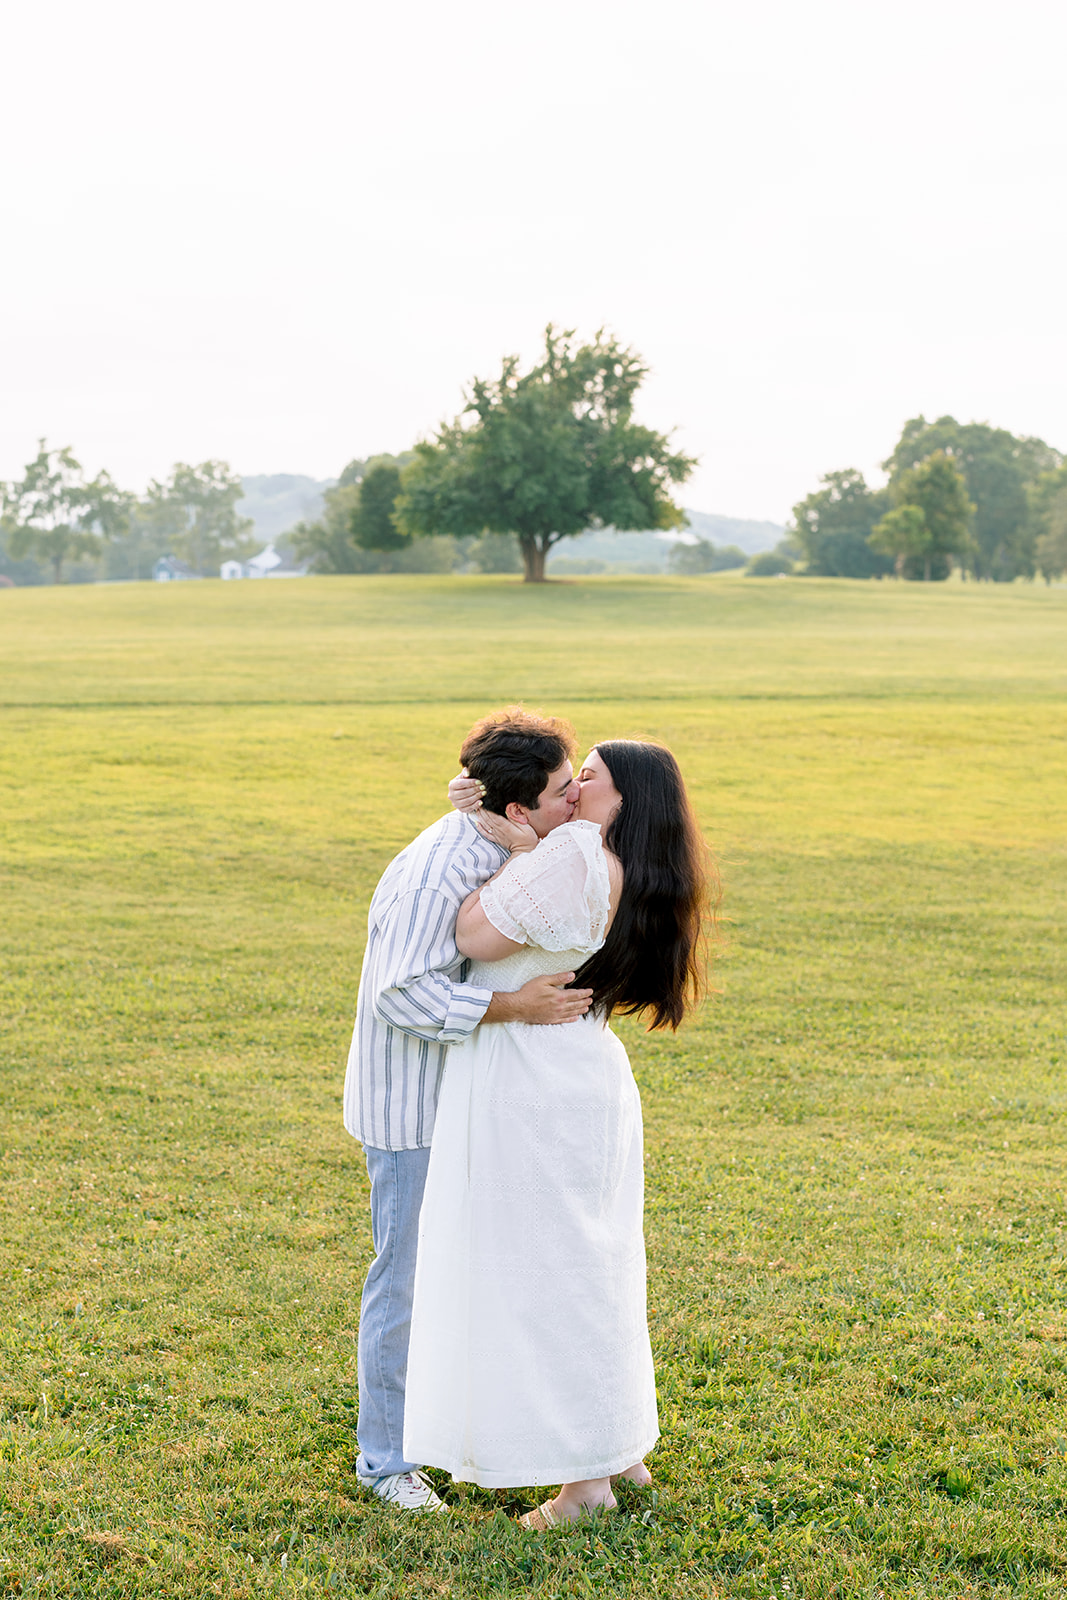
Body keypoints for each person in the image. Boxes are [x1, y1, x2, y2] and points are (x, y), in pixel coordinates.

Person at [402, 740, 707, 1527]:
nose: (571, 790)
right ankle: (619, 1453)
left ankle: (584, 1488)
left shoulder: (573, 850)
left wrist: (512, 852)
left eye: (587, 778)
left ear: (620, 798)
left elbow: (473, 935)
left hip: (529, 1080)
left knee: (547, 1274)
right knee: (588, 1265)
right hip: (581, 1072)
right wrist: (522, 845)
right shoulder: (628, 862)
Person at [344, 708, 594, 1512]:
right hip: (413, 1109)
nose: (574, 803)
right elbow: (401, 996)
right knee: (406, 1283)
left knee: (463, 1278)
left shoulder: (507, 837)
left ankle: (457, 1430)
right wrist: (515, 1008)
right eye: (562, 792)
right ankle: (385, 1464)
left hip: (464, 1105)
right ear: (516, 809)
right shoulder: (438, 870)